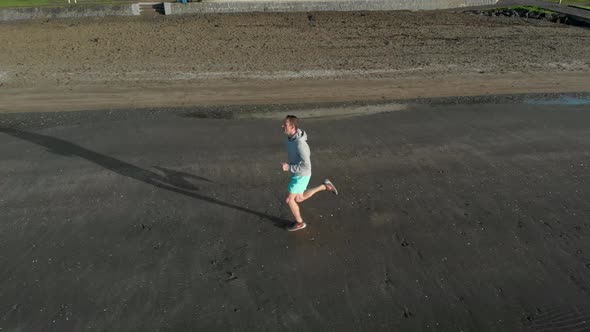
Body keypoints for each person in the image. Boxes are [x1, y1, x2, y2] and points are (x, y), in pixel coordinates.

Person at [281, 115, 338, 232]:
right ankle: (324, 186)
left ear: (292, 127)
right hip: (298, 173)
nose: (282, 126)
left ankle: (299, 223)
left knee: (289, 199)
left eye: (285, 125)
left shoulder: (300, 144)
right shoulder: (290, 138)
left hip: (301, 175)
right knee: (300, 198)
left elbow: (306, 165)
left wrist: (289, 167)